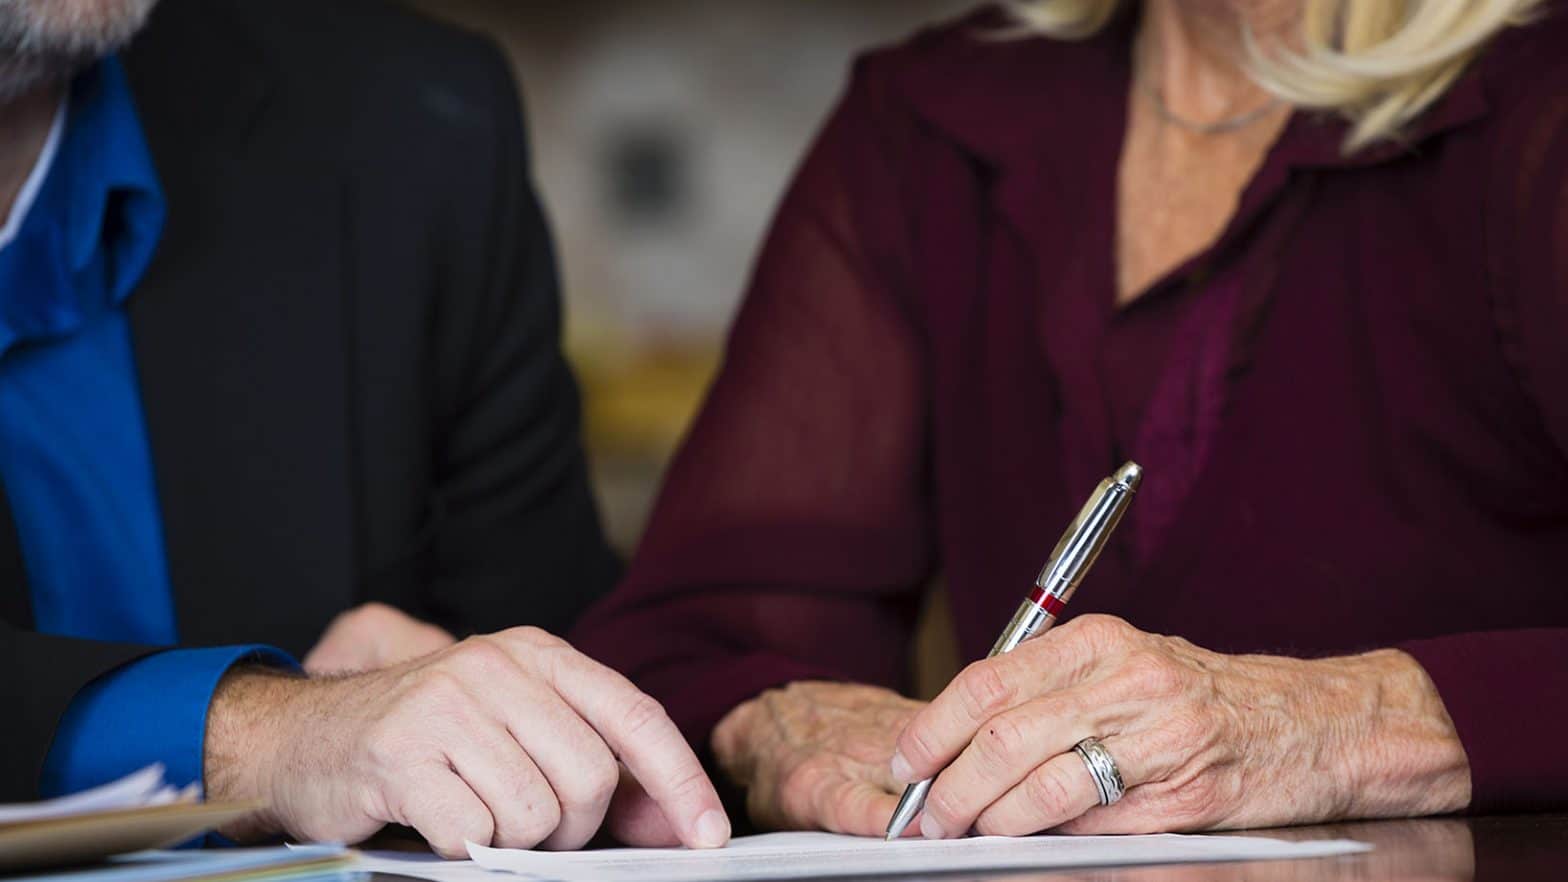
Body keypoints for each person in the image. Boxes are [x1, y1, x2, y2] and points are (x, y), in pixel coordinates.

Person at [572, 0, 1568, 839]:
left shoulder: (1536, 104)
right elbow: (687, 645)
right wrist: (777, 724)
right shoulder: (934, 116)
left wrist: (1349, 723)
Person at [0, 0, 730, 857]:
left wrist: (480, 710)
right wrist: (262, 736)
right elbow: (302, 738)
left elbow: (569, 653)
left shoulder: (412, 119)